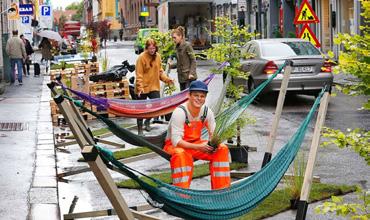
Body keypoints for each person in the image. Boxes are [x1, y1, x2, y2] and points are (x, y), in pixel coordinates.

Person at [163, 80, 231, 190]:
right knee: (181, 155)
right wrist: (199, 147)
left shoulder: (207, 112)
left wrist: (213, 143)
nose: (199, 98)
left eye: (202, 96)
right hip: (175, 146)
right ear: (189, 95)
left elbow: (213, 132)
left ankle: (221, 191)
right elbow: (176, 141)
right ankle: (182, 194)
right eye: (196, 95)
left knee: (222, 148)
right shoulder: (180, 112)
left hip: (196, 144)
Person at [135, 39, 174, 135]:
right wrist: (139, 87)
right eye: (150, 48)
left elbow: (160, 72)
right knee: (141, 109)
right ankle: (140, 129)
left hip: (154, 86)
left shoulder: (158, 57)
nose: (152, 50)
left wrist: (167, 79)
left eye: (153, 48)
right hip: (143, 87)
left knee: (157, 106)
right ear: (146, 48)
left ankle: (147, 121)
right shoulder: (141, 58)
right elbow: (139, 74)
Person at [171, 26, 197, 91]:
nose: (173, 40)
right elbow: (180, 63)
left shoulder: (187, 45)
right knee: (183, 97)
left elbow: (193, 60)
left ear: (180, 37)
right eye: (172, 38)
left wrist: (191, 73)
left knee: (188, 96)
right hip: (181, 78)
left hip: (189, 77)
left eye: (175, 38)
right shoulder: (176, 47)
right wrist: (171, 66)